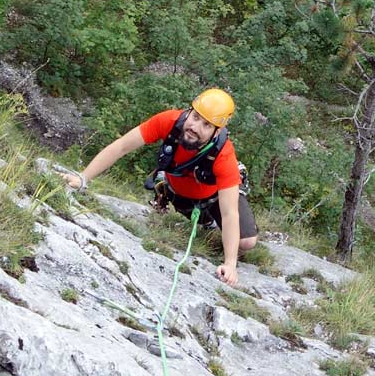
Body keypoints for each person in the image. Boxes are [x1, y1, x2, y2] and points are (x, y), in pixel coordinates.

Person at [63, 87, 256, 286]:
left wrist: (230, 264)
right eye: (196, 117)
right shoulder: (169, 122)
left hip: (213, 197)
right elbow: (121, 146)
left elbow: (230, 213)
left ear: (217, 132)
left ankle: (216, 223)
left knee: (247, 242)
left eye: (206, 125)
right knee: (203, 216)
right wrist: (83, 178)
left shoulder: (224, 156)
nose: (195, 127)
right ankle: (170, 193)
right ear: (189, 111)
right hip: (178, 194)